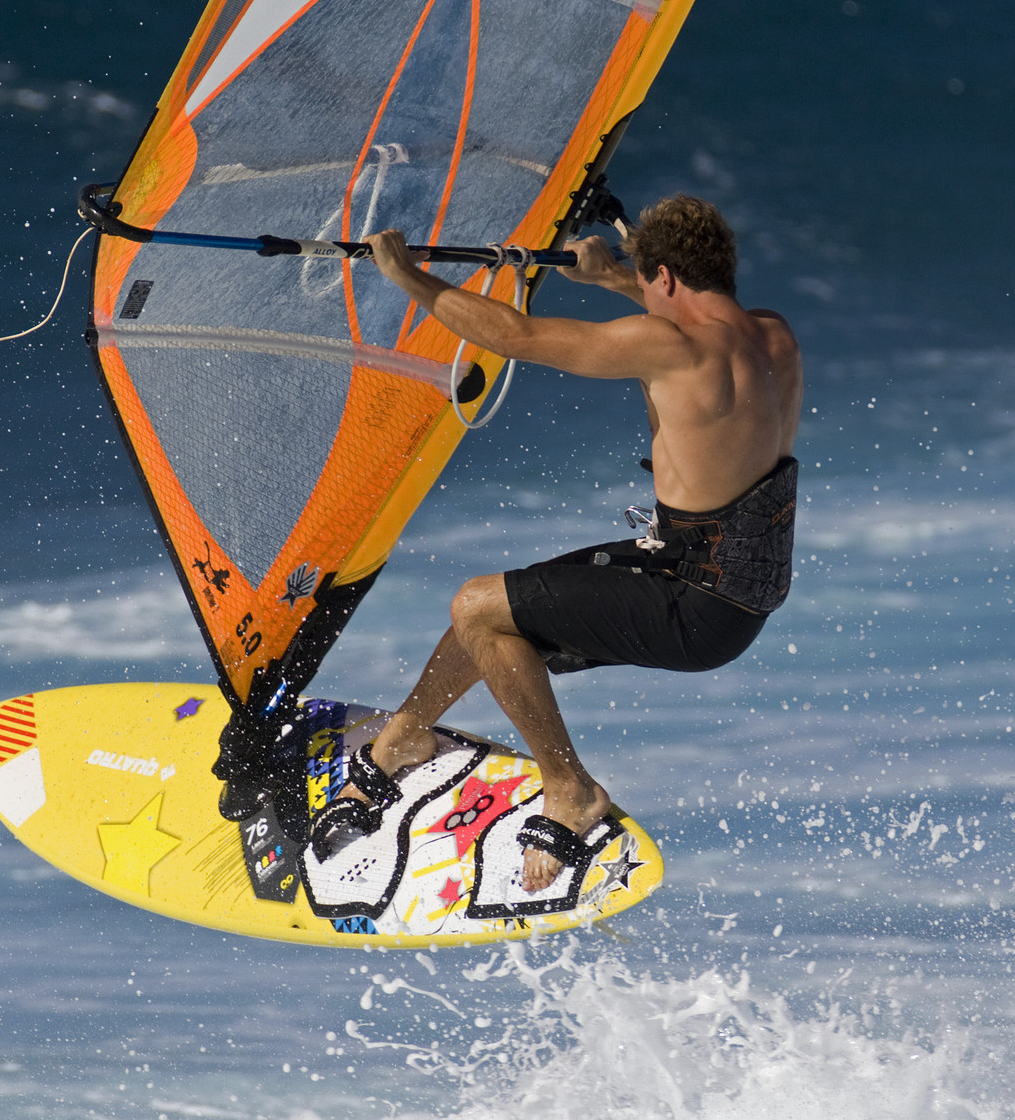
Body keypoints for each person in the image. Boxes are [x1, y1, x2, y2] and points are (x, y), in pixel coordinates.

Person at [308, 195, 803, 893]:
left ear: (663, 278)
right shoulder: (774, 336)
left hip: (692, 602)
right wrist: (613, 278)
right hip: (732, 587)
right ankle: (405, 738)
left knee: (477, 605)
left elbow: (517, 337)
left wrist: (409, 277)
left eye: (645, 278)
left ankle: (568, 788)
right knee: (497, 608)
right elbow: (685, 309)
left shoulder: (668, 346)